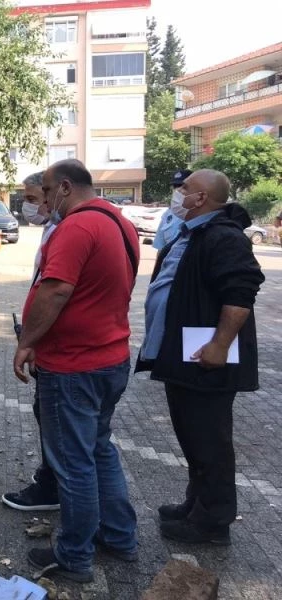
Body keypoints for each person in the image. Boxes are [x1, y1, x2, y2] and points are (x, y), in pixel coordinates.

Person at [13, 159, 139, 582]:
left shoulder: (76, 227)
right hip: (110, 359)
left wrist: (28, 342)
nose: (45, 201)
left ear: (65, 187)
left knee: (73, 463)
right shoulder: (118, 222)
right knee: (99, 449)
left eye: (47, 192)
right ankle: (119, 536)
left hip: (74, 367)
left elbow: (56, 291)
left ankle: (74, 557)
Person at [136, 169, 264, 545]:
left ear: (202, 198)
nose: (179, 193)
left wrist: (220, 344)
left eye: (185, 189)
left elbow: (241, 292)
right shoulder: (194, 232)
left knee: (210, 443)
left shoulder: (224, 236)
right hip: (185, 357)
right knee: (194, 438)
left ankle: (212, 523)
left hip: (206, 359)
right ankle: (196, 505)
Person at [1, 171, 60, 512]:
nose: (32, 206)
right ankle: (51, 479)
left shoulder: (68, 231)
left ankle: (55, 489)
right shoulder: (53, 229)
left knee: (56, 421)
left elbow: (57, 294)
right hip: (51, 347)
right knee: (47, 416)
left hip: (61, 354)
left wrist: (31, 341)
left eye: (36, 198)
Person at [152, 169, 193, 250]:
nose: (178, 189)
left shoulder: (202, 214)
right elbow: (161, 248)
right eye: (175, 186)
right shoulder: (168, 215)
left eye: (182, 186)